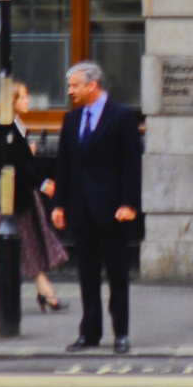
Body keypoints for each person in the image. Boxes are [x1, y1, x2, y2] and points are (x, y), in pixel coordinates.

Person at [51, 61, 142, 354]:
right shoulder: (71, 121)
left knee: (117, 275)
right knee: (87, 275)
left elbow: (132, 165)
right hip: (81, 209)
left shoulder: (122, 117)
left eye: (74, 86)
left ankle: (121, 334)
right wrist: (59, 204)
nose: (70, 91)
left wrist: (129, 203)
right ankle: (89, 333)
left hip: (114, 209)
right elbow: (64, 164)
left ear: (92, 85)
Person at [0, 80, 67, 317]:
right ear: (12, 102)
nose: (28, 101)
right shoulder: (5, 128)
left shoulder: (15, 126)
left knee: (29, 242)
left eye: (27, 97)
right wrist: (42, 181)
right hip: (0, 201)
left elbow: (18, 160)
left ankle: (46, 292)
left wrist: (29, 154)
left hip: (17, 198)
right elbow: (14, 163)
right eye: (23, 97)